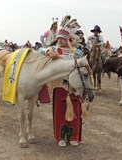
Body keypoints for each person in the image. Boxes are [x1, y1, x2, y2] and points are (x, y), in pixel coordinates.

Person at [44, 15, 84, 147]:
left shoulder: (77, 52)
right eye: (59, 38)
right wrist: (48, 52)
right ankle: (60, 137)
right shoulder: (54, 50)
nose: (60, 40)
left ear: (69, 39)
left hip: (74, 87)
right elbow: (40, 50)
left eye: (62, 38)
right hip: (59, 86)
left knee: (75, 112)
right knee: (60, 112)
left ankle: (73, 136)